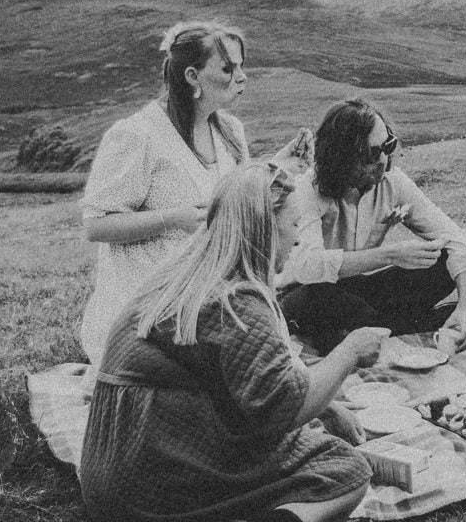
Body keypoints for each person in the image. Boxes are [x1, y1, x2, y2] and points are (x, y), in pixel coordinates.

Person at [78, 162, 380, 522]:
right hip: (149, 485)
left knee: (309, 438)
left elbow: (229, 377)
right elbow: (283, 411)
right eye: (292, 224)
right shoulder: (239, 302)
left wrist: (328, 404)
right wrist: (349, 353)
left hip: (110, 485)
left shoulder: (182, 276)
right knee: (347, 470)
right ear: (263, 228)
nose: (297, 237)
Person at [77, 19, 306, 369]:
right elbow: (96, 226)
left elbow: (235, 200)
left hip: (204, 297)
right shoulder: (137, 136)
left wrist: (280, 165)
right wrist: (173, 219)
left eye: (241, 68)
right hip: (143, 309)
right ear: (192, 77)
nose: (241, 78)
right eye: (227, 69)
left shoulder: (230, 130)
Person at [278, 98, 466, 353]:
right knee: (326, 300)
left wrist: (465, 307)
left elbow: (455, 238)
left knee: (440, 262)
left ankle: (386, 329)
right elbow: (308, 267)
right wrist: (391, 256)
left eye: (388, 146)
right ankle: (406, 327)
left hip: (355, 288)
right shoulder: (308, 189)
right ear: (342, 157)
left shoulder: (392, 182)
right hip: (305, 295)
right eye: (372, 154)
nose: (384, 159)